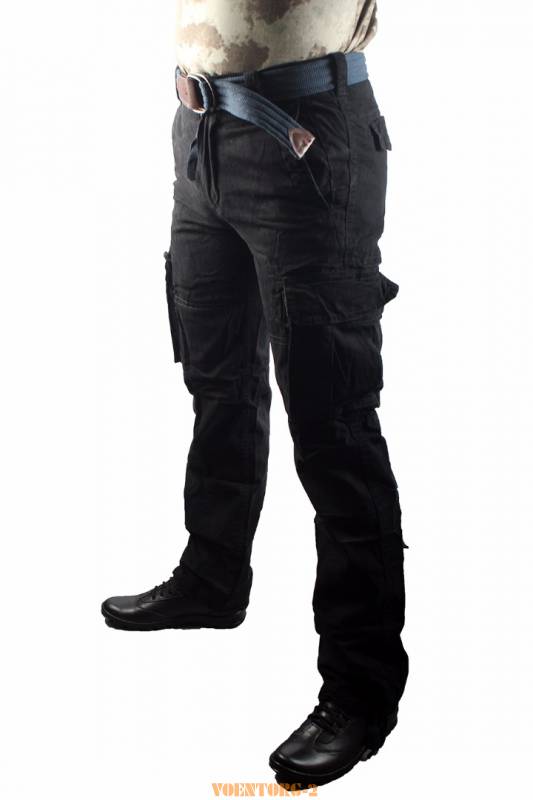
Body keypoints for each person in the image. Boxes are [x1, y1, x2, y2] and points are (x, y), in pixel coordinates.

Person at [101, 0, 408, 789]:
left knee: (334, 426)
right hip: (200, 135)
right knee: (219, 385)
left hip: (305, 137)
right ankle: (212, 578)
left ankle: (361, 691)